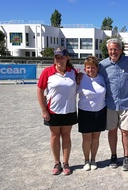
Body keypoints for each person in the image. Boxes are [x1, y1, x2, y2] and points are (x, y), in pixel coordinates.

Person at [98, 38, 128, 171]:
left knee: (126, 132)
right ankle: (114, 156)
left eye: (116, 49)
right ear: (108, 50)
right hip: (110, 104)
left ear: (121, 50)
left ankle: (126, 157)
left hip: (126, 103)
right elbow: (92, 75)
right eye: (111, 49)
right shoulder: (102, 65)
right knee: (112, 131)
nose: (113, 52)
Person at [37, 47, 78, 175]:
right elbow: (40, 90)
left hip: (69, 110)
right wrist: (44, 110)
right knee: (55, 137)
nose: (59, 59)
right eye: (56, 57)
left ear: (67, 58)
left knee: (66, 136)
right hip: (53, 110)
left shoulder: (73, 72)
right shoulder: (47, 71)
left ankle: (66, 163)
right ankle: (56, 162)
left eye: (61, 57)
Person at [77, 56, 106, 171]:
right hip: (85, 112)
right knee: (86, 138)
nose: (90, 70)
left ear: (97, 68)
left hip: (100, 111)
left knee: (96, 138)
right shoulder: (80, 78)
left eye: (93, 67)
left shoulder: (102, 78)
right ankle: (86, 160)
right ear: (84, 69)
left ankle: (93, 159)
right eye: (88, 68)